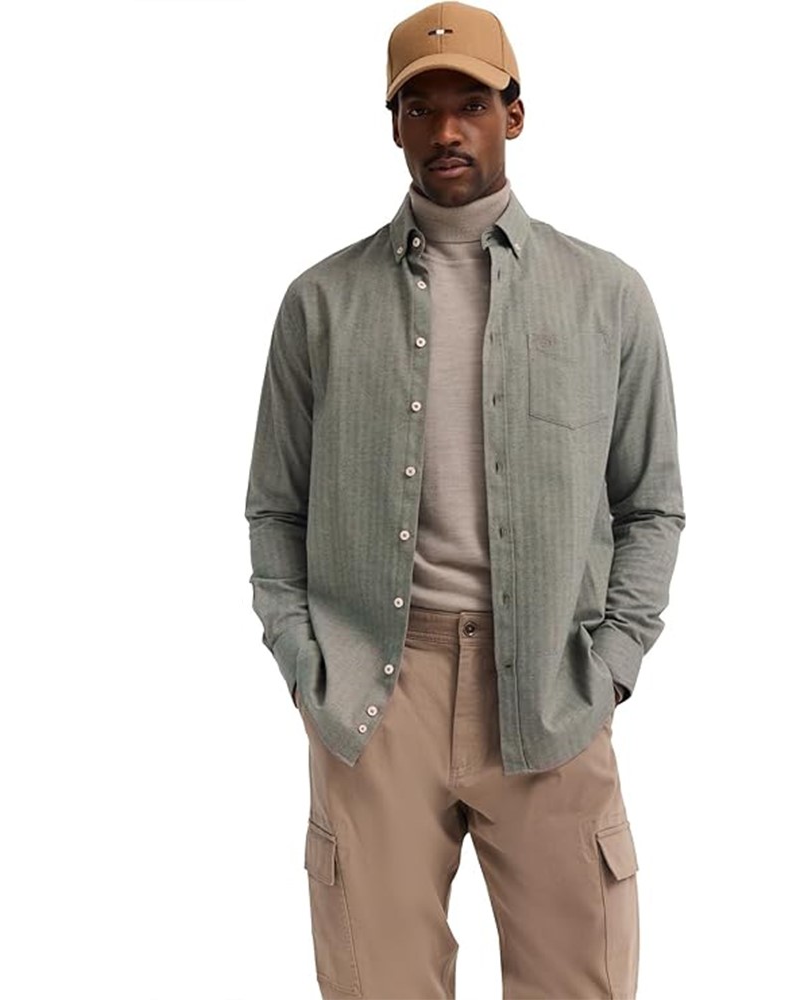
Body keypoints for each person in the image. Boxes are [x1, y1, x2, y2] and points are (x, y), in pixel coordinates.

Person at [244, 2, 685, 996]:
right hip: (373, 694)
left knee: (580, 984)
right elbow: (275, 507)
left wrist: (611, 665)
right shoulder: (320, 303)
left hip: (553, 689)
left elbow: (650, 502)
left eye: (472, 105)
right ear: (393, 123)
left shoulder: (607, 295)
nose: (446, 130)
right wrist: (306, 665)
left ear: (514, 115)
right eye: (421, 107)